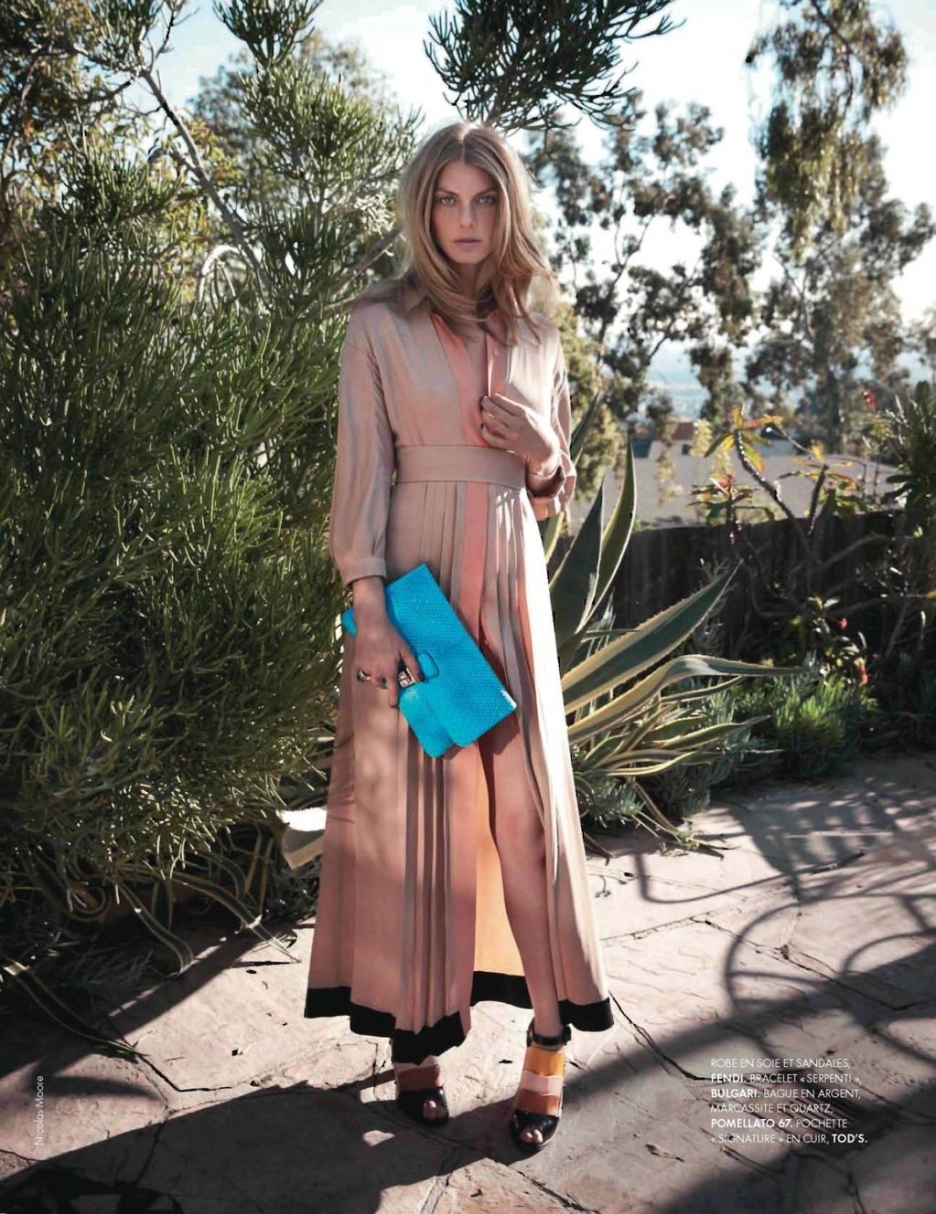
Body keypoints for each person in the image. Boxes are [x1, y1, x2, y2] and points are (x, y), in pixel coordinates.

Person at [304, 121, 613, 1153]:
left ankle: (549, 1039)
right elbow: (362, 468)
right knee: (414, 829)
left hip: (511, 584)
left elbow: (551, 489)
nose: (467, 219)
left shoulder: (538, 332)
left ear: (508, 209)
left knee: (527, 820)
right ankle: (416, 1041)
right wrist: (370, 606)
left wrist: (546, 452)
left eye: (486, 200)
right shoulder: (377, 325)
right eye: (448, 200)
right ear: (423, 208)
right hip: (416, 591)